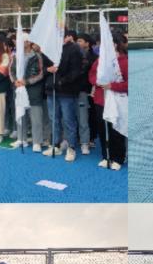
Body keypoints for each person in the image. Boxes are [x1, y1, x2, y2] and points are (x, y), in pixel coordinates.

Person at [88, 31, 128, 169]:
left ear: (115, 44)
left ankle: (118, 158)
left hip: (118, 101)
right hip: (101, 99)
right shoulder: (100, 60)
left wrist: (112, 86)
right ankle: (106, 156)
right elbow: (92, 75)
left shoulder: (125, 61)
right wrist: (98, 82)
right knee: (102, 128)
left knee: (116, 128)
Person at [45, 30, 85, 160]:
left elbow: (76, 71)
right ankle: (56, 145)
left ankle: (71, 147)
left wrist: (62, 80)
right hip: (51, 89)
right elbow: (44, 66)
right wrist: (48, 69)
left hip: (67, 91)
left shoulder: (74, 49)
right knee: (54, 119)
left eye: (61, 35)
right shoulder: (50, 48)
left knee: (68, 120)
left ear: (68, 37)